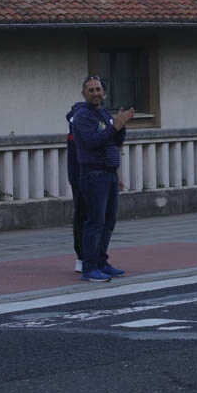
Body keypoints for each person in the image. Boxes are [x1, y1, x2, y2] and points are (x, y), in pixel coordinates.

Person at [71, 75, 134, 282]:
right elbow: (92, 141)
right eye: (91, 90)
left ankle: (101, 261)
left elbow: (116, 141)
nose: (96, 93)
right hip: (93, 174)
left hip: (109, 174)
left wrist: (121, 125)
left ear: (104, 92)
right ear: (83, 93)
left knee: (108, 222)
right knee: (95, 222)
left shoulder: (104, 113)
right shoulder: (83, 115)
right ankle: (89, 267)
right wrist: (114, 126)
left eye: (98, 90)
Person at [66, 102, 86, 273]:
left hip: (95, 174)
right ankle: (82, 256)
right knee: (83, 215)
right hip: (81, 176)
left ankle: (93, 256)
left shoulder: (99, 116)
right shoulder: (78, 119)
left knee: (97, 217)